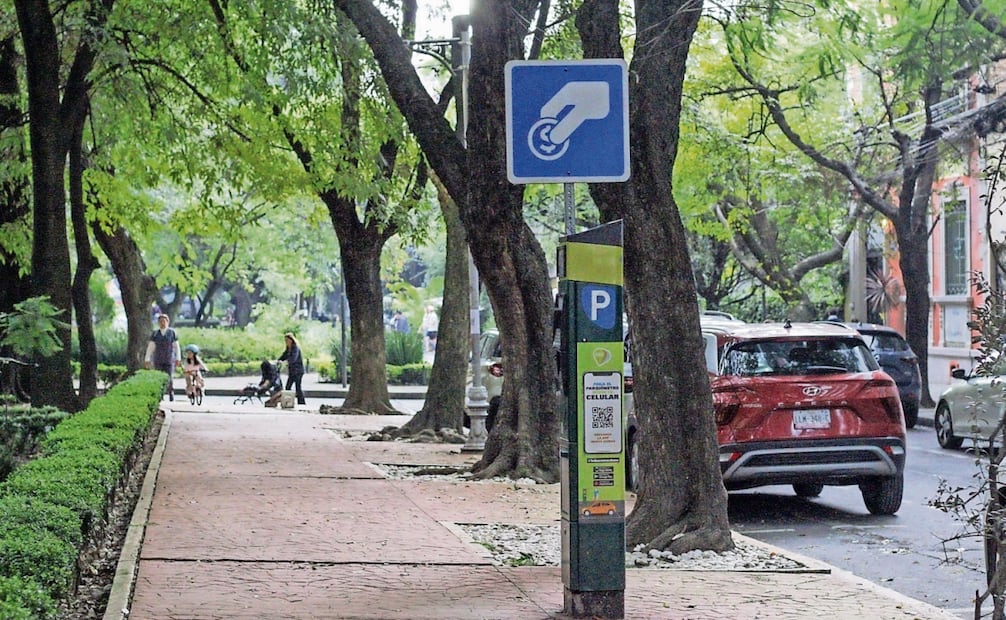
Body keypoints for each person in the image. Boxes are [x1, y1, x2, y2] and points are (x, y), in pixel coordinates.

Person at [145, 314, 181, 401]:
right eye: (160, 321)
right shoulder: (155, 334)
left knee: (169, 377)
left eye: (164, 321)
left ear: (167, 322)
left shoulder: (172, 333)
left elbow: (176, 346)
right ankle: (160, 394)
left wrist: (178, 358)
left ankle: (170, 392)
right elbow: (151, 347)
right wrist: (147, 359)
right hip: (158, 359)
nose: (162, 323)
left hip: (169, 358)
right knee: (158, 377)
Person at [278, 332, 305, 405]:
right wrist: (279, 360)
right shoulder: (288, 349)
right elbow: (284, 355)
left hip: (298, 371)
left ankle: (302, 403)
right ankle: (287, 402)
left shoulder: (295, 348)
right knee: (288, 387)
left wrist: (286, 362)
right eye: (285, 341)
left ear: (291, 340)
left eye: (287, 340)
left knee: (298, 388)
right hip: (292, 371)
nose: (286, 342)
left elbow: (293, 358)